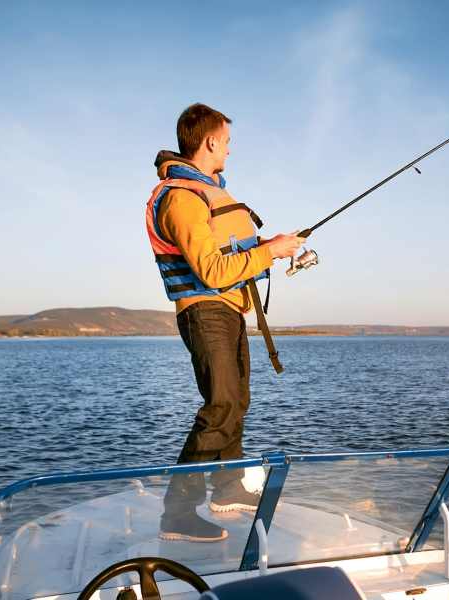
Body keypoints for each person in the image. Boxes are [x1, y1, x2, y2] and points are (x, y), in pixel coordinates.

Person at [145, 103, 304, 542]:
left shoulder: (204, 192)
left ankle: (227, 487)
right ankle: (177, 513)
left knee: (235, 400)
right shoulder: (181, 197)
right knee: (220, 404)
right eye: (227, 142)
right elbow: (212, 271)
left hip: (228, 310)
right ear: (211, 140)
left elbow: (227, 255)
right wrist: (269, 253)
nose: (230, 151)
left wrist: (269, 244)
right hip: (204, 310)